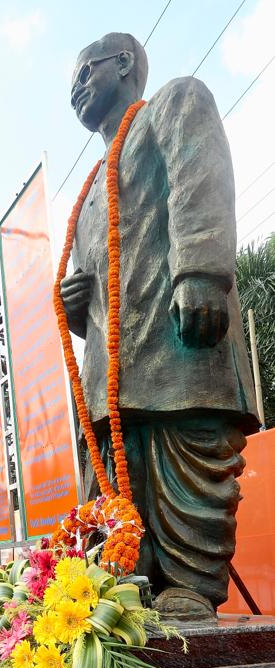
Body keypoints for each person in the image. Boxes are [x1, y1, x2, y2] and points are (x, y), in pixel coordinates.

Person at [60, 32, 258, 618]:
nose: (74, 91)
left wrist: (199, 269)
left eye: (82, 73)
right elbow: (96, 276)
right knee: (123, 477)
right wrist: (77, 303)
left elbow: (202, 184)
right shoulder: (92, 187)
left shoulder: (175, 103)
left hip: (177, 338)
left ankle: (191, 586)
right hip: (115, 367)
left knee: (187, 459)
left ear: (122, 64)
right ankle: (130, 583)